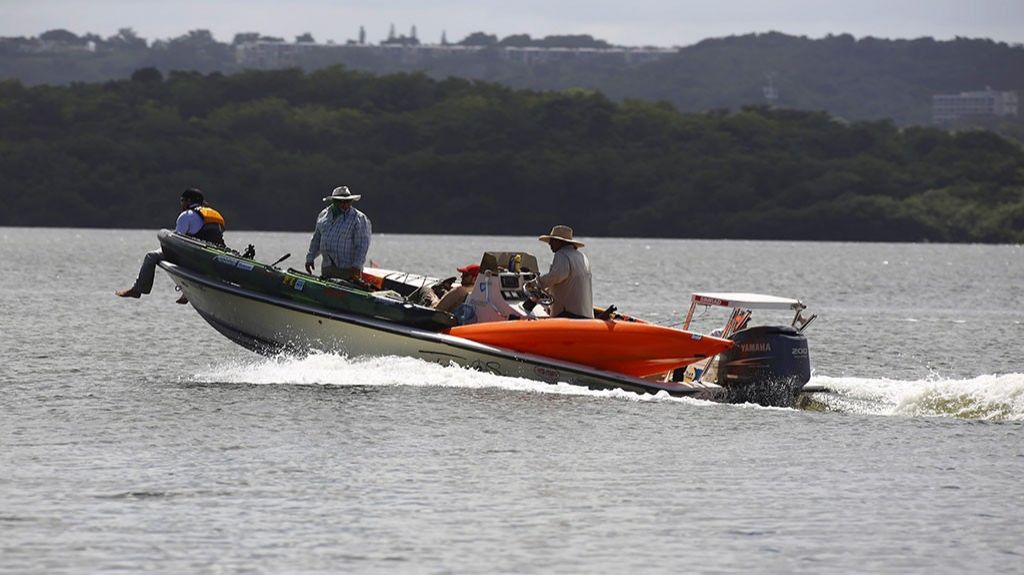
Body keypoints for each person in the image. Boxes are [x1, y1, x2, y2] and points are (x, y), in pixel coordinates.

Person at [115, 188, 226, 301]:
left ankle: (138, 289)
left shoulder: (186, 215)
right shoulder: (214, 216)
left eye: (182, 200)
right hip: (211, 259)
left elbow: (177, 242)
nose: (181, 203)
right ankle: (186, 293)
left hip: (194, 258)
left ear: (188, 201)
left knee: (151, 256)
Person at [305, 186, 372, 282]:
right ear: (333, 201)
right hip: (327, 268)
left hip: (348, 270)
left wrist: (356, 266)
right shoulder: (323, 215)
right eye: (341, 201)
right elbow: (317, 239)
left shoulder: (359, 218)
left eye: (348, 201)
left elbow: (362, 246)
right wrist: (310, 258)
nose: (344, 204)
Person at [533, 225, 594, 319]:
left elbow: (557, 276)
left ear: (560, 242)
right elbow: (565, 280)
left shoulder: (561, 255)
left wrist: (537, 283)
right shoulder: (581, 256)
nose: (550, 244)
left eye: (552, 241)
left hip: (568, 315)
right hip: (586, 315)